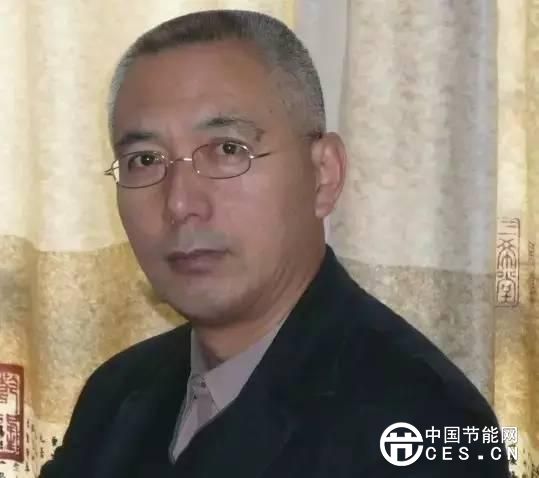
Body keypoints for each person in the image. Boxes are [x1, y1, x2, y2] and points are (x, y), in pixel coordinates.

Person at [39, 9, 510, 478]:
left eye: (228, 150)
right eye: (145, 160)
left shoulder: (425, 422)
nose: (180, 203)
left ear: (323, 175)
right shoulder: (116, 395)